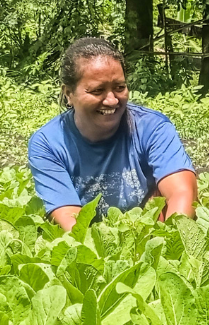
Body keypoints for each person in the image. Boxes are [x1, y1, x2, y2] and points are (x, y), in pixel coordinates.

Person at [28, 37, 198, 231]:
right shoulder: (48, 143)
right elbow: (69, 221)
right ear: (69, 94)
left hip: (147, 238)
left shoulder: (152, 128)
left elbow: (182, 193)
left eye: (119, 88)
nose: (111, 100)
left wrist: (170, 244)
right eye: (97, 90)